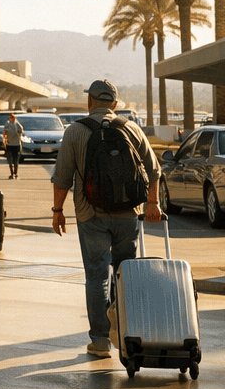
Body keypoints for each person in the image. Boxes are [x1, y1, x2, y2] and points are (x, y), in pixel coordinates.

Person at [52, 79, 163, 358]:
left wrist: (58, 212)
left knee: (97, 276)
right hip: (128, 214)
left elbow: (62, 178)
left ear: (89, 101)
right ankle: (127, 333)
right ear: (115, 104)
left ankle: (100, 340)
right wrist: (153, 204)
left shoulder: (75, 131)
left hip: (91, 214)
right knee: (125, 272)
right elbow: (154, 170)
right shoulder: (131, 128)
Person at [3, 112, 24, 179]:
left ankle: (16, 173)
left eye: (13, 117)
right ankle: (11, 173)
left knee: (16, 160)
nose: (12, 118)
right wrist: (5, 141)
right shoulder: (7, 124)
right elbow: (4, 133)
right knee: (10, 160)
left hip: (16, 145)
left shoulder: (17, 125)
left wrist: (18, 133)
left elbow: (21, 131)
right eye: (10, 117)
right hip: (9, 145)